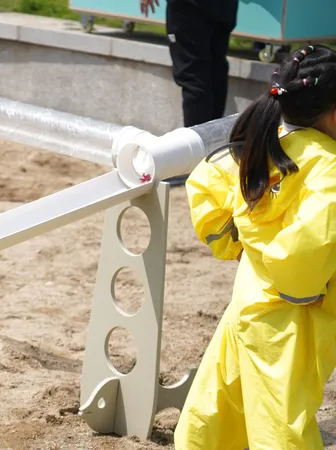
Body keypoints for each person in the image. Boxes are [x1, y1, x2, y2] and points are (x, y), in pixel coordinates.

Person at [176, 45, 336, 449]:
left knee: (218, 406)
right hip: (295, 318)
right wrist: (305, 290)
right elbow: (309, 246)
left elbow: (206, 186)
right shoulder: (329, 165)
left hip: (247, 298)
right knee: (281, 425)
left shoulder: (265, 138)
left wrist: (239, 245)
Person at [140, 0, 239, 185]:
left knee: (195, 75)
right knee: (214, 71)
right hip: (223, 7)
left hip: (190, 7)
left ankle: (194, 161)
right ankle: (211, 154)